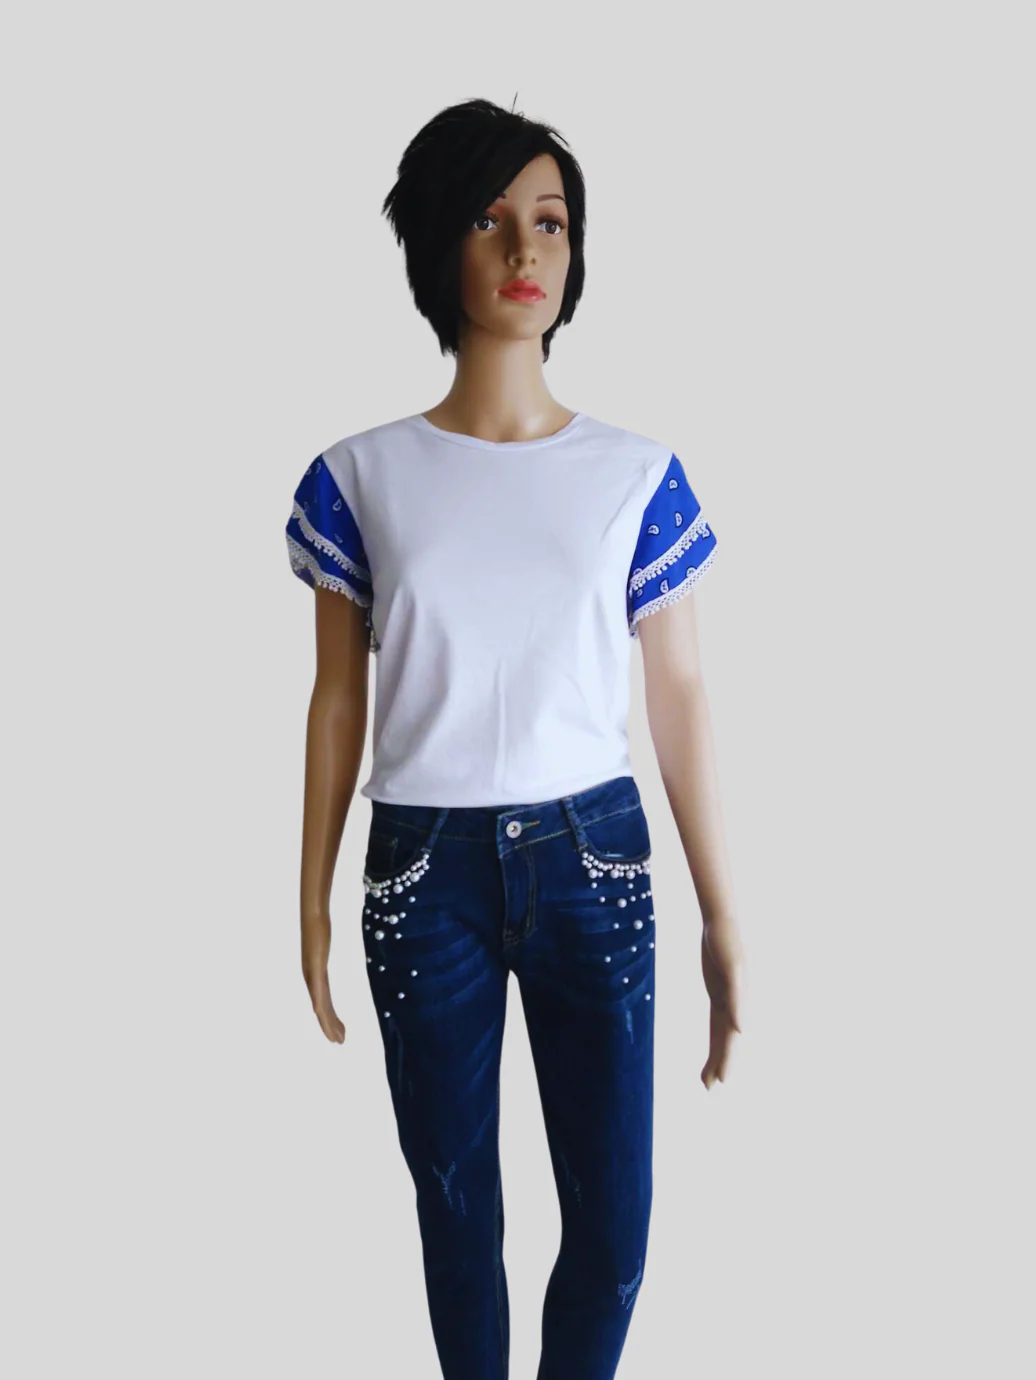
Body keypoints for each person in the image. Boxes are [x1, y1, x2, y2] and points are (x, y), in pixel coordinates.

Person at [285, 97, 744, 1380]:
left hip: (594, 860)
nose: (523, 249)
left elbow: (680, 695)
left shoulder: (636, 476)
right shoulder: (359, 477)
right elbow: (335, 699)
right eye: (488, 220)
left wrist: (721, 911)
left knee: (613, 1227)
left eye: (549, 221)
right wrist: (307, 896)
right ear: (439, 244)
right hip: (418, 869)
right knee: (454, 1212)